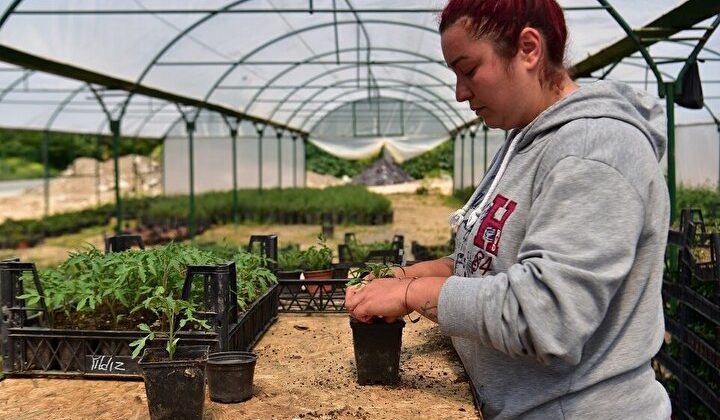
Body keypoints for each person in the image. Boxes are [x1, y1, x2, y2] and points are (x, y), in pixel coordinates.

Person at [344, 0, 672, 418]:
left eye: (468, 69)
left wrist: (413, 294)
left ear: (529, 49)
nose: (460, 92)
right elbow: (493, 264)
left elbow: (546, 317)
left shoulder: (594, 151)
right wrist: (406, 275)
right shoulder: (524, 139)